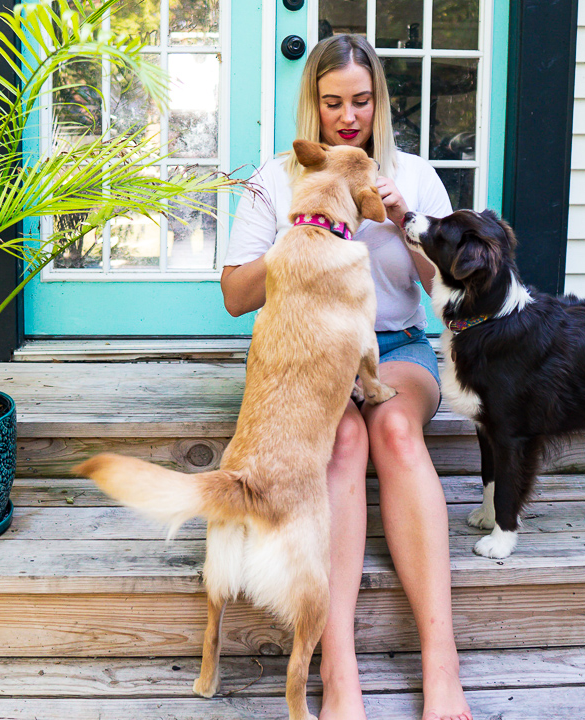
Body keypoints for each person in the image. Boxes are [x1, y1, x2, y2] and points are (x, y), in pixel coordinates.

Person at [220, 34, 472, 720]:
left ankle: (442, 667)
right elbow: (236, 297)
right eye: (333, 103)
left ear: (379, 102)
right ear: (314, 103)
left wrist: (403, 223)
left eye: (361, 101)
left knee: (391, 430)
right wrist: (305, 226)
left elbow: (450, 296)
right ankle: (338, 669)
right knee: (344, 445)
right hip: (306, 356)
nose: (348, 116)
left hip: (393, 347)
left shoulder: (415, 176)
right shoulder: (279, 176)